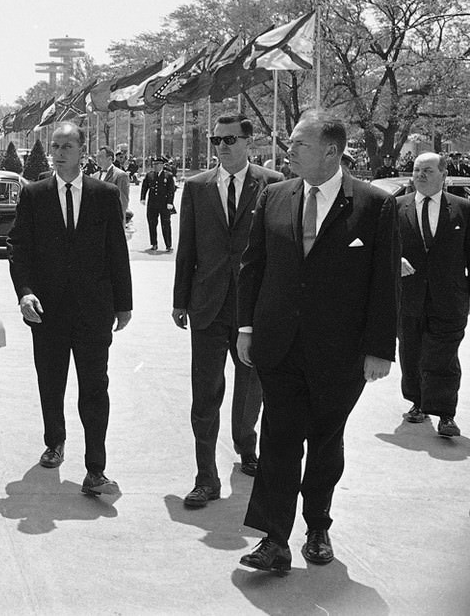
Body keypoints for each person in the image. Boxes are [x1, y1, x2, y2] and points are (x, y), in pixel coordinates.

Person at [236, 110, 399, 574]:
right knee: (279, 441)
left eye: (299, 144)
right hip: (279, 345)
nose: (289, 151)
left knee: (326, 442)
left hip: (341, 353)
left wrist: (380, 349)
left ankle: (318, 526)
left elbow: (385, 282)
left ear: (331, 150)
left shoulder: (373, 204)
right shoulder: (273, 197)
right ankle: (274, 539)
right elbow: (254, 267)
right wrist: (247, 328)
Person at [8, 123, 133, 498]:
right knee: (51, 381)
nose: (59, 152)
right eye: (55, 146)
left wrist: (124, 304)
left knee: (95, 388)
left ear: (83, 151)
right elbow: (20, 249)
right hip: (47, 311)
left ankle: (96, 469)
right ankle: (55, 441)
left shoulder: (105, 195)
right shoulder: (34, 195)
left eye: (67, 146)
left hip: (94, 311)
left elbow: (117, 251)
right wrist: (25, 293)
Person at [171, 114, 282, 509]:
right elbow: (187, 247)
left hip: (254, 308)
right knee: (205, 392)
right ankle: (206, 477)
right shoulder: (197, 187)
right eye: (215, 140)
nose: (221, 146)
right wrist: (179, 299)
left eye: (230, 139)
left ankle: (245, 443)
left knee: (251, 385)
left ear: (249, 141)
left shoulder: (274, 184)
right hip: (208, 306)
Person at [397, 152, 466, 438]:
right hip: (409, 297)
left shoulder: (463, 209)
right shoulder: (396, 207)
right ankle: (417, 403)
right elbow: (381, 247)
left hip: (449, 299)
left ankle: (445, 413)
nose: (420, 175)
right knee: (411, 351)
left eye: (427, 170)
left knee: (443, 356)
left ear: (443, 175)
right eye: (416, 170)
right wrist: (395, 260)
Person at [140, 155, 176, 251]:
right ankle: (154, 244)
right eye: (154, 164)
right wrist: (142, 198)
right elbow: (144, 187)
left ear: (162, 165)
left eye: (157, 164)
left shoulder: (168, 175)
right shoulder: (149, 175)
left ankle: (168, 245)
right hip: (152, 204)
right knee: (152, 224)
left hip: (164, 204)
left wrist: (170, 202)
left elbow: (171, 190)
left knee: (166, 224)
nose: (155, 166)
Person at [97, 146, 132, 224]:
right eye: (97, 156)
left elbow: (123, 202)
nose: (97, 159)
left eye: (100, 157)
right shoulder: (94, 176)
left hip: (113, 221)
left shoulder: (120, 175)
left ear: (109, 158)